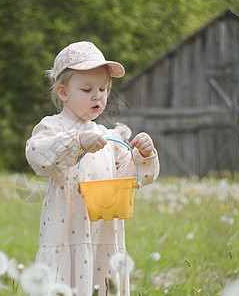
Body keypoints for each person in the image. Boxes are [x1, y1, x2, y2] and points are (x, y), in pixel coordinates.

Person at [25, 41, 160, 295]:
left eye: (103, 88)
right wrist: (76, 142)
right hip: (66, 235)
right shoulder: (54, 128)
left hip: (104, 237)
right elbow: (38, 156)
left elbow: (134, 178)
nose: (97, 95)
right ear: (63, 92)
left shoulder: (110, 137)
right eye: (87, 89)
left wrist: (144, 154)